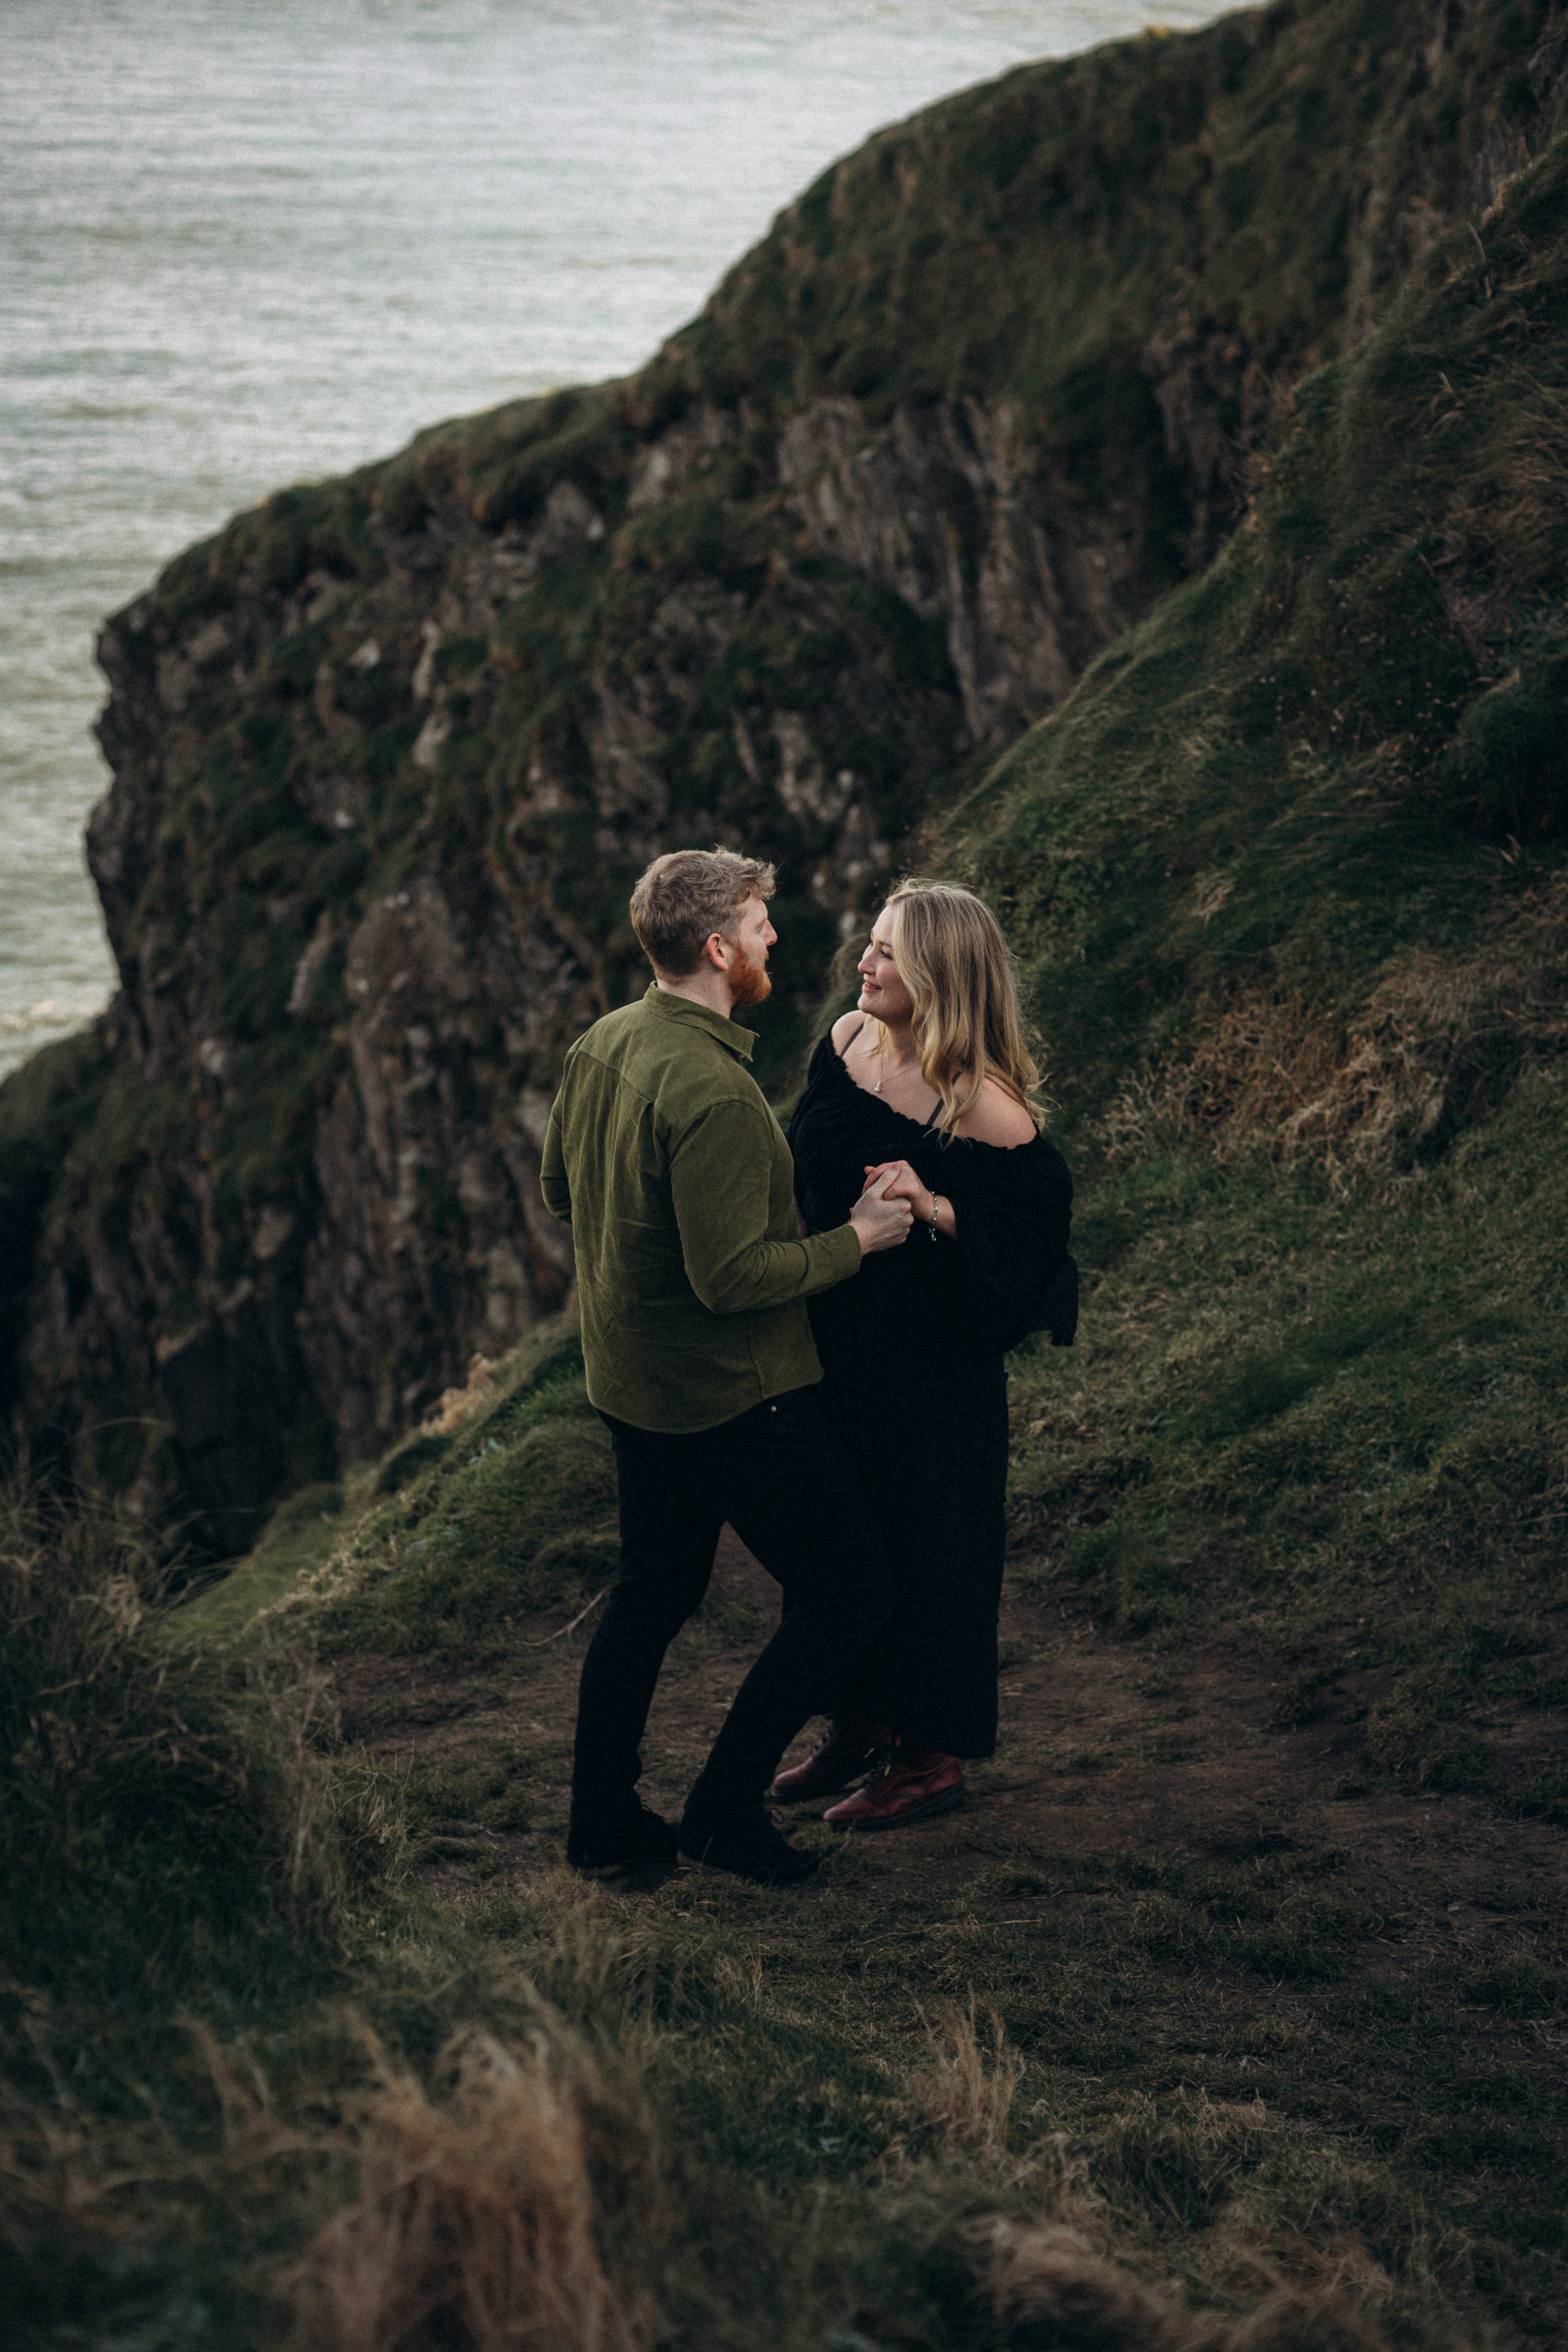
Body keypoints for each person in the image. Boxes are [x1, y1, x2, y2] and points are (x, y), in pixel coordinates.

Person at [540, 848, 914, 1888]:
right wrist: (862, 1238)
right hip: (731, 1400)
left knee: (649, 1598)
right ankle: (720, 1813)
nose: (773, 939)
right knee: (848, 1590)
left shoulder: (605, 1040)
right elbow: (734, 1280)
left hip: (630, 1383)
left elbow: (558, 1192)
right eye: (758, 924)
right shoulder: (714, 1091)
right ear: (716, 948)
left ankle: (603, 1828)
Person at [778, 878, 1076, 1830]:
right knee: (838, 1538)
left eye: (884, 955)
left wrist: (938, 1206)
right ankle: (858, 1722)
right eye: (868, 946)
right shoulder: (847, 1041)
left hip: (929, 1373)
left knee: (929, 1549)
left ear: (939, 976)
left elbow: (1032, 1261)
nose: (861, 965)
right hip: (834, 1342)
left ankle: (931, 1759)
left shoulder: (983, 1108)